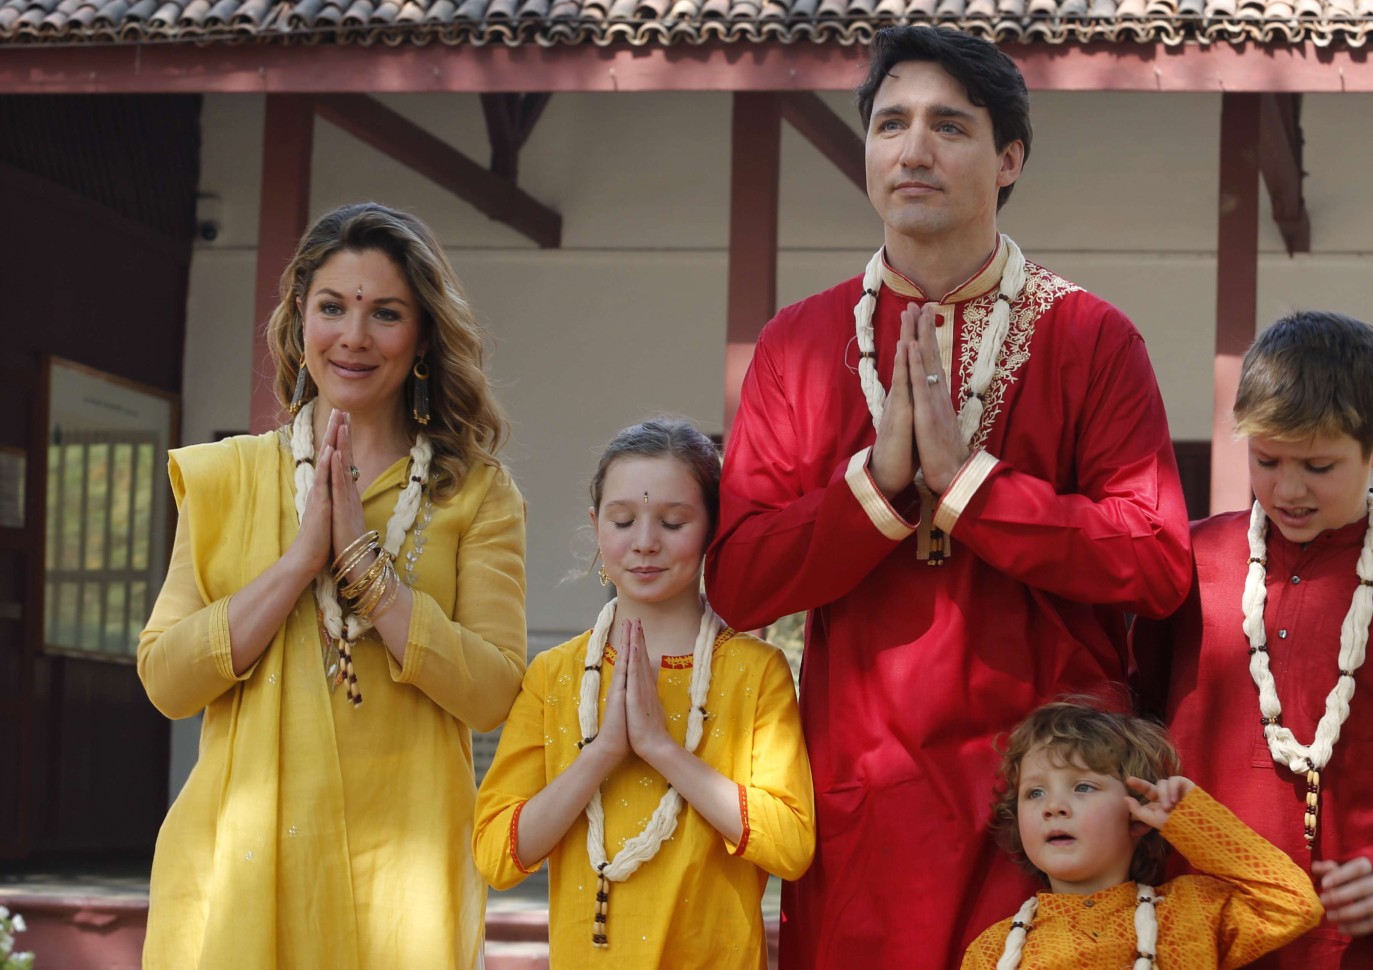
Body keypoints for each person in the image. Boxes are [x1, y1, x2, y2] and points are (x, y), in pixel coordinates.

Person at [705, 25, 1193, 969]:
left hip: (1052, 809)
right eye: (890, 124)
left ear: (1008, 159)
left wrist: (972, 487)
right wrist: (878, 489)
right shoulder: (797, 344)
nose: (913, 149)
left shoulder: (1091, 337)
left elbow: (1157, 560)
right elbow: (740, 580)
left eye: (948, 126)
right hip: (867, 796)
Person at [138, 202, 527, 969]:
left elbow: (492, 694)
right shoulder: (227, 478)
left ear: (421, 339)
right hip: (237, 875)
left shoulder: (472, 494)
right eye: (332, 308)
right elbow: (166, 681)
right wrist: (295, 566)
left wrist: (367, 573)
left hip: (401, 884)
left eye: (385, 313)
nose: (353, 336)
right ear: (299, 323)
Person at [1133, 311, 1373, 969]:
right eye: (1267, 460)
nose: (1289, 489)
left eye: (1318, 465)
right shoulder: (1191, 563)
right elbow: (1125, 729)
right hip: (1197, 936)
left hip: (1363, 948)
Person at [474, 419, 814, 966]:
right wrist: (603, 753)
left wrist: (662, 749)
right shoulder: (555, 675)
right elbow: (496, 856)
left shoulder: (755, 673)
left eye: (674, 522)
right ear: (596, 526)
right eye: (624, 520)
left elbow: (791, 847)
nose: (645, 543)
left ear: (712, 530)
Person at [962, 700, 1322, 969]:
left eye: (1083, 787)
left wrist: (1191, 819)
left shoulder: (1192, 911)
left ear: (1136, 815)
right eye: (1035, 792)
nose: (1053, 806)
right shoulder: (992, 951)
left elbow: (1293, 904)